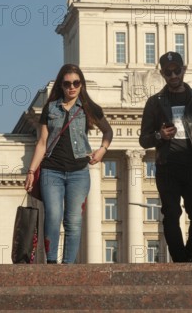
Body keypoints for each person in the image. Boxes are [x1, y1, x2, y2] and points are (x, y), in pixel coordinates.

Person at [139, 52, 192, 262]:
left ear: (183, 69)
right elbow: (144, 139)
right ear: (162, 74)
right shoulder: (155, 102)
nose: (173, 75)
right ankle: (180, 261)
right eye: (168, 72)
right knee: (171, 215)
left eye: (176, 70)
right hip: (167, 166)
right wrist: (160, 135)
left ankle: (187, 256)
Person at [24, 64, 113, 264]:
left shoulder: (89, 108)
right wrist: (31, 171)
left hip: (79, 173)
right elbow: (42, 143)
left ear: (81, 85)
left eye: (76, 83)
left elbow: (108, 131)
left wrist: (102, 149)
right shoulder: (51, 108)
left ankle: (68, 266)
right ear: (61, 86)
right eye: (67, 84)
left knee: (73, 221)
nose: (71, 87)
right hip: (51, 171)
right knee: (53, 217)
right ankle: (53, 263)